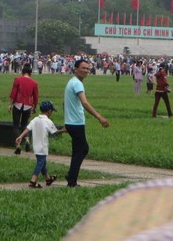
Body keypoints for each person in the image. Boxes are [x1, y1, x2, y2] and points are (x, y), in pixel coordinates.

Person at [64, 58, 109, 188]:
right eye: (83, 68)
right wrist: (99, 117)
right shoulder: (77, 83)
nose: (86, 71)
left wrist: (66, 121)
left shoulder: (71, 82)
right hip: (76, 123)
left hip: (71, 122)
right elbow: (84, 102)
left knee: (79, 150)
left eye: (87, 68)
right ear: (76, 68)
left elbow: (64, 102)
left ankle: (71, 176)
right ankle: (72, 180)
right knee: (82, 149)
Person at [15, 101, 66, 188]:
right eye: (52, 111)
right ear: (49, 111)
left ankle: (48, 179)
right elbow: (55, 132)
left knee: (43, 163)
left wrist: (20, 136)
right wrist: (65, 130)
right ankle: (33, 181)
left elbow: (27, 128)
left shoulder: (35, 119)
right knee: (40, 163)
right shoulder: (47, 121)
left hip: (36, 146)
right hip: (43, 147)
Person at [9, 64, 39, 154]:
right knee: (25, 125)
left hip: (18, 103)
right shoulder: (34, 83)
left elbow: (13, 92)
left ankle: (18, 145)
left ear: (22, 72)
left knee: (16, 125)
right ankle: (27, 141)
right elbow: (36, 97)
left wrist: (10, 104)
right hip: (28, 105)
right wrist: (34, 107)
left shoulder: (17, 79)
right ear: (30, 73)